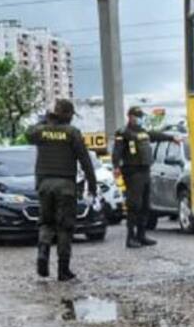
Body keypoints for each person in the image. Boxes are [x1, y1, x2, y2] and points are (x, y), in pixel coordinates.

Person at [26, 98, 98, 281]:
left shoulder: (41, 131)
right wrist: (92, 185)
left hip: (44, 184)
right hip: (65, 186)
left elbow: (29, 133)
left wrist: (45, 120)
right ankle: (63, 270)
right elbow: (85, 160)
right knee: (65, 227)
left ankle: (43, 253)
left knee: (46, 223)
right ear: (67, 115)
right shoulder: (72, 133)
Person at [112, 106, 179, 249]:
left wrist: (171, 138)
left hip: (145, 171)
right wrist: (116, 166)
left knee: (144, 205)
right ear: (130, 116)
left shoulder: (143, 132)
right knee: (134, 205)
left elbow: (155, 135)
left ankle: (141, 235)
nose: (140, 119)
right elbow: (117, 151)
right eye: (138, 116)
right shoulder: (123, 133)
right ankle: (131, 238)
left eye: (141, 116)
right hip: (132, 172)